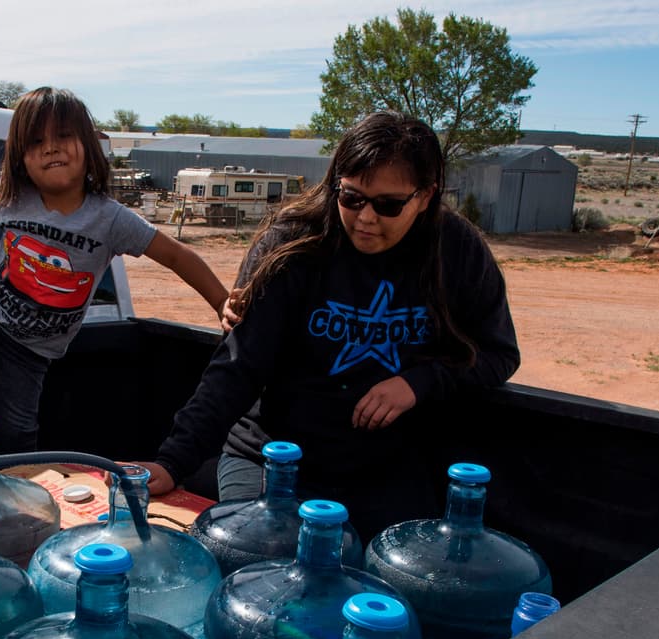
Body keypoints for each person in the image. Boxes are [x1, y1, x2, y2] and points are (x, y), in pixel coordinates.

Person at [136, 110, 521, 539]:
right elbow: (238, 367)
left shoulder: (457, 250)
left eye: (388, 205)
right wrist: (173, 461)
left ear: (426, 196)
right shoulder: (293, 242)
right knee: (261, 562)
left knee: (399, 569)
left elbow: (499, 354)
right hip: (273, 458)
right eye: (351, 197)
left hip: (387, 466)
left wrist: (420, 382)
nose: (366, 217)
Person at [0, 86, 230, 453]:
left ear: (88, 145)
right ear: (20, 158)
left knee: (17, 438)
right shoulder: (13, 199)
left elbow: (176, 256)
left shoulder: (110, 219)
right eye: (36, 141)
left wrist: (221, 302)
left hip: (26, 347)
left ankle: (11, 489)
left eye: (63, 136)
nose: (51, 148)